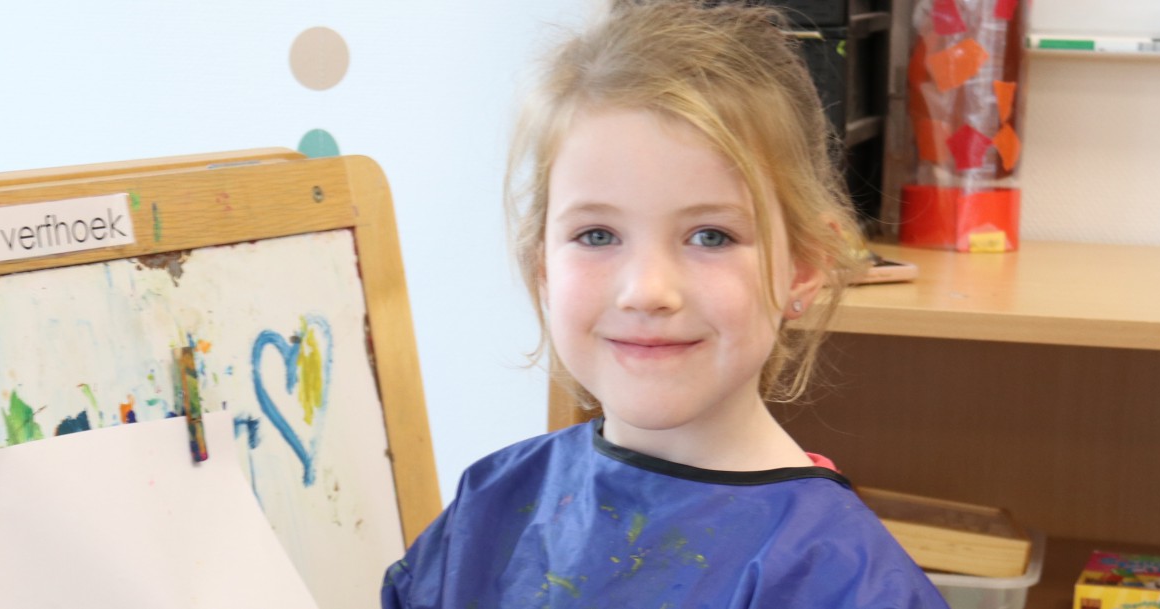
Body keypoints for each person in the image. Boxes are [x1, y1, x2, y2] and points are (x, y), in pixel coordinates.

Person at [382, 1, 950, 607]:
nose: (647, 291)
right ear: (542, 263)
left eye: (711, 236)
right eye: (596, 235)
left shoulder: (836, 580)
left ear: (803, 267)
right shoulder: (493, 503)